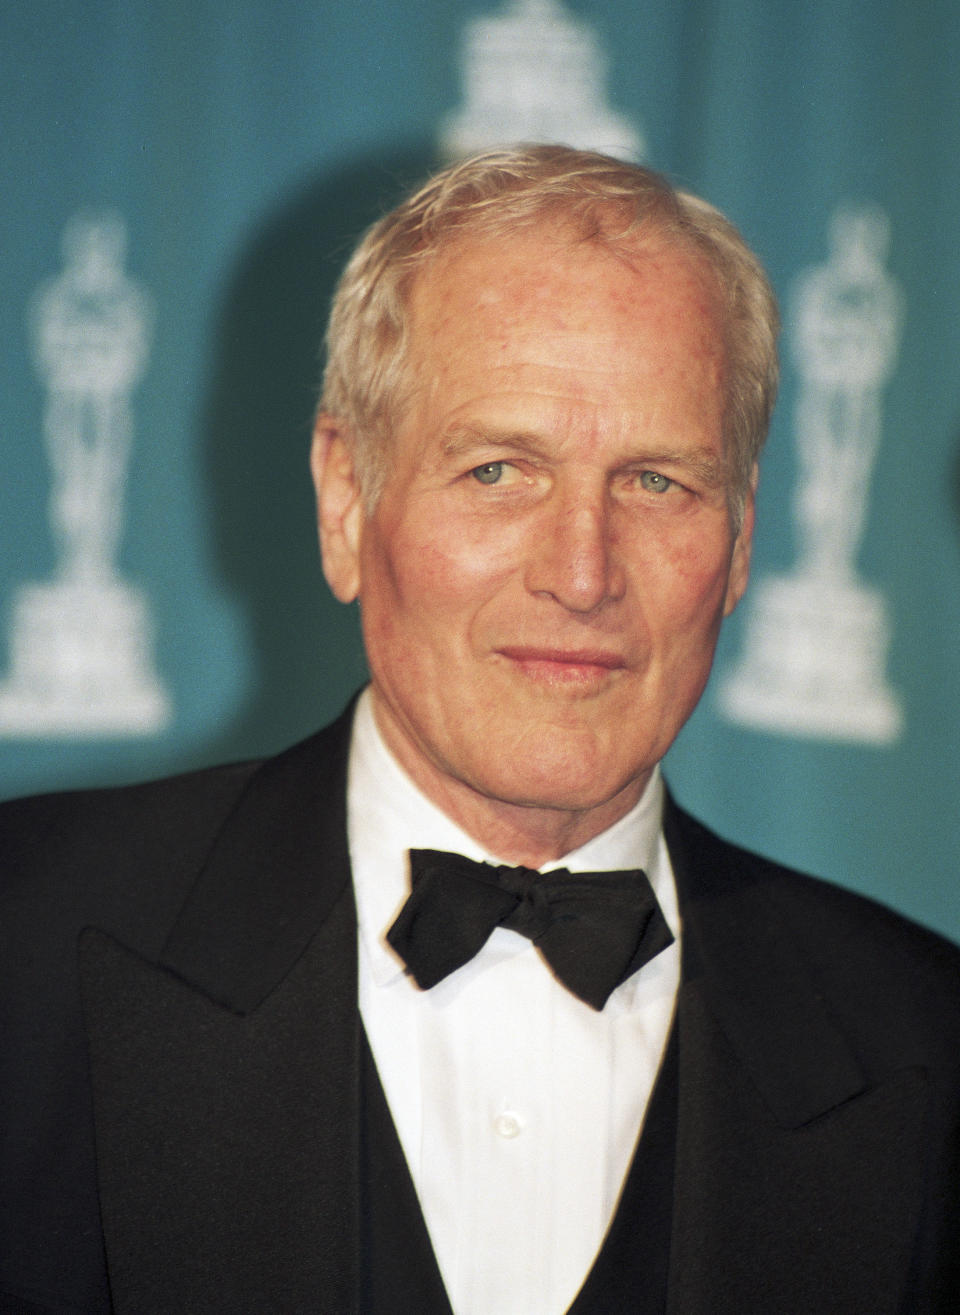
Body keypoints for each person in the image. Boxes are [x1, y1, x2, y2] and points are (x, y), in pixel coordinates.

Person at [1, 146, 958, 1315]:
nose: (583, 572)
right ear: (347, 499)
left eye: (657, 482)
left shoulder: (925, 1042)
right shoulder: (23, 948)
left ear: (744, 541)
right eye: (501, 469)